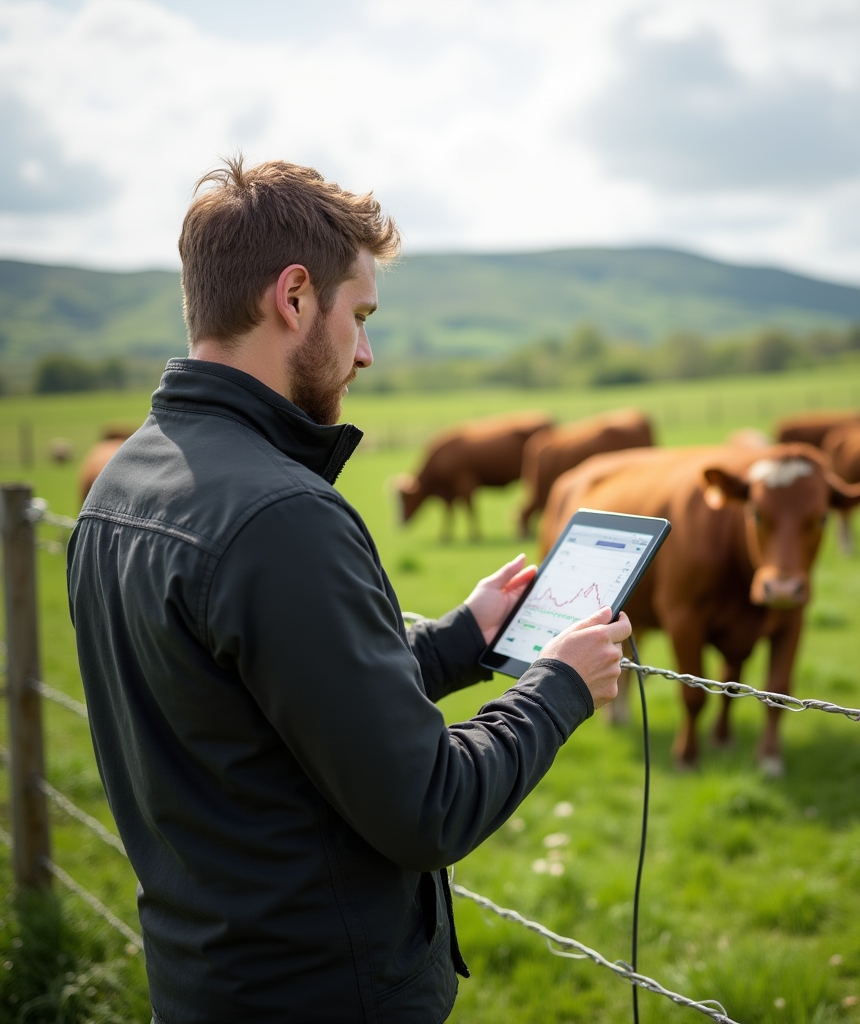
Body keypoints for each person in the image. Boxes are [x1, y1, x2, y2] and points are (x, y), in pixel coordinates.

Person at [67, 157, 631, 1024]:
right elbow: (430, 807)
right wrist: (556, 687)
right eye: (360, 316)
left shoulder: (123, 485)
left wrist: (459, 639)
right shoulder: (281, 515)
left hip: (203, 978)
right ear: (294, 298)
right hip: (325, 992)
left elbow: (261, 698)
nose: (366, 353)